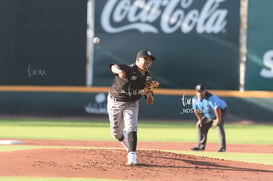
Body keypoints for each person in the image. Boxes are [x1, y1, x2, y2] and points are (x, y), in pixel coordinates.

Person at [107, 50, 157, 165]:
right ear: (137, 60)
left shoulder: (148, 79)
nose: (148, 62)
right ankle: (124, 139)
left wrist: (149, 94)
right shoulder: (129, 69)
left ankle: (132, 155)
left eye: (150, 61)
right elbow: (113, 66)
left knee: (132, 127)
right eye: (145, 59)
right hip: (115, 102)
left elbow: (150, 102)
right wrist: (119, 71)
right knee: (116, 133)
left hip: (132, 103)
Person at [190, 84, 228, 152]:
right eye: (198, 91)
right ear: (196, 92)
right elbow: (196, 110)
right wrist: (200, 120)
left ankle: (222, 148)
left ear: (205, 91)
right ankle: (200, 147)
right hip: (209, 114)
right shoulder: (195, 99)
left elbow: (217, 108)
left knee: (219, 126)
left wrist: (218, 120)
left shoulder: (211, 98)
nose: (200, 93)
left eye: (202, 91)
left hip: (221, 111)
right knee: (201, 126)